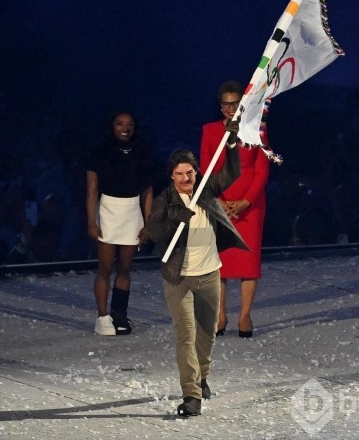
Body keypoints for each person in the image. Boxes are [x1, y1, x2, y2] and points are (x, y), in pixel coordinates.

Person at [148, 120, 247, 417]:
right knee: (186, 335)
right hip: (179, 279)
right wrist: (179, 219)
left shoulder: (205, 188)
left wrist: (231, 142)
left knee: (208, 333)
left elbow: (233, 173)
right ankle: (191, 394)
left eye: (188, 173)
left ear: (195, 172)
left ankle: (202, 376)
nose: (184, 179)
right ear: (171, 176)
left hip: (209, 275)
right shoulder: (165, 200)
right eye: (178, 175)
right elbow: (153, 231)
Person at [200, 80, 269, 338]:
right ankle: (219, 315)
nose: (231, 108)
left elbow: (262, 169)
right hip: (220, 204)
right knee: (220, 263)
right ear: (220, 106)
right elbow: (206, 169)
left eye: (235, 103)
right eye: (226, 103)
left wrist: (247, 201)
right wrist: (217, 200)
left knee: (248, 263)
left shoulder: (257, 129)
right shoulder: (209, 131)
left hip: (250, 207)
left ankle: (245, 315)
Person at [86, 111, 153, 336]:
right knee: (105, 266)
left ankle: (119, 314)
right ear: (112, 126)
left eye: (129, 124)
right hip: (108, 209)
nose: (125, 128)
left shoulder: (141, 151)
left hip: (132, 210)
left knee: (125, 267)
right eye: (119, 123)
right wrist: (91, 222)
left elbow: (147, 190)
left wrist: (148, 223)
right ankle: (102, 316)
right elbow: (92, 190)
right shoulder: (100, 151)